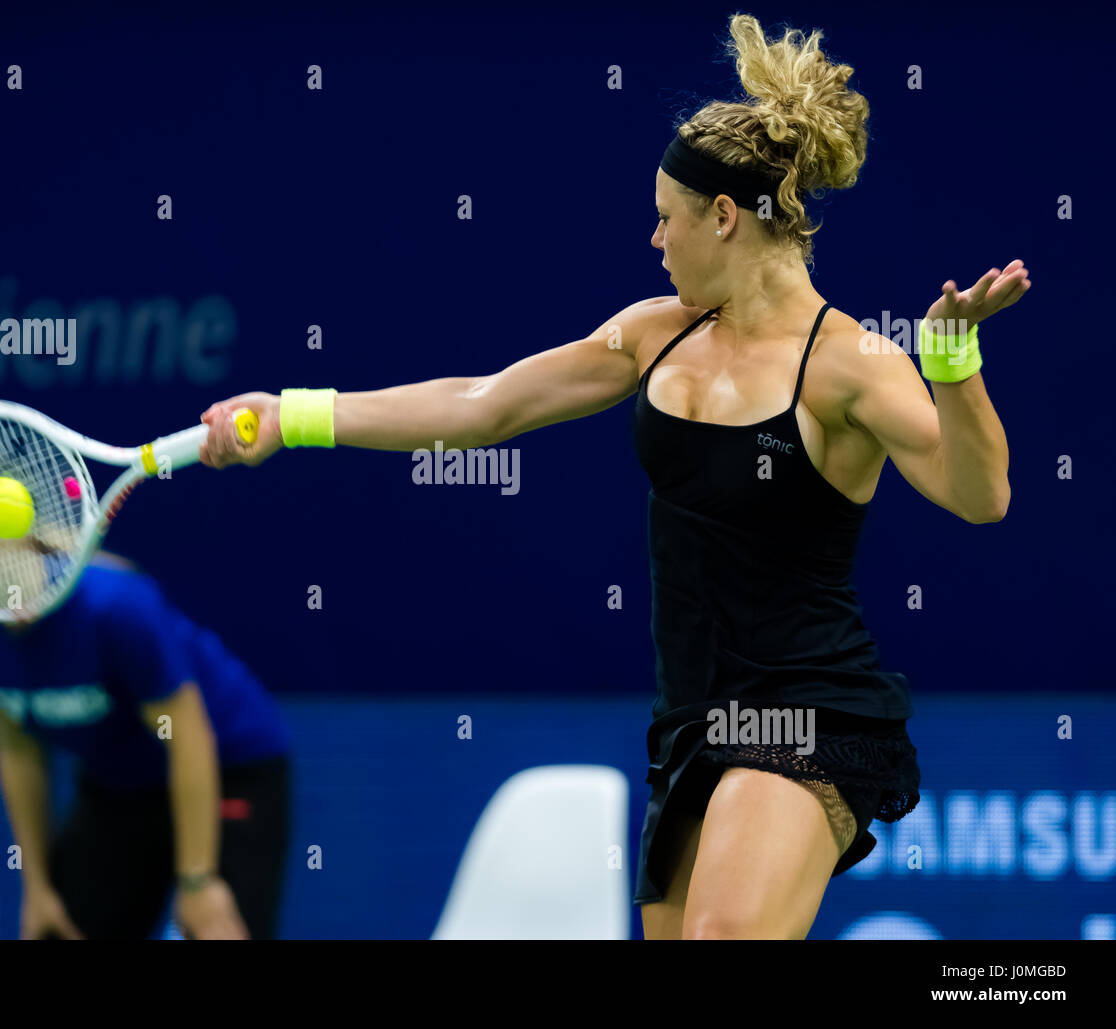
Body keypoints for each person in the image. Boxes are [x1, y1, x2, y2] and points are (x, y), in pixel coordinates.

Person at [195, 13, 1027, 939]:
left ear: (723, 217)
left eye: (667, 217)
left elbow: (978, 493)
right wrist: (296, 414)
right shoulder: (652, 332)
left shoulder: (851, 365)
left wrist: (952, 362)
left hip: (807, 712)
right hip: (690, 719)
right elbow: (484, 405)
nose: (654, 239)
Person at [0, 552, 291, 940]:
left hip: (229, 767)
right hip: (118, 786)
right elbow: (18, 751)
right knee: (56, 930)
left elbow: (187, 739)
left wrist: (197, 882)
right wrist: (37, 887)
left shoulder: (115, 606)